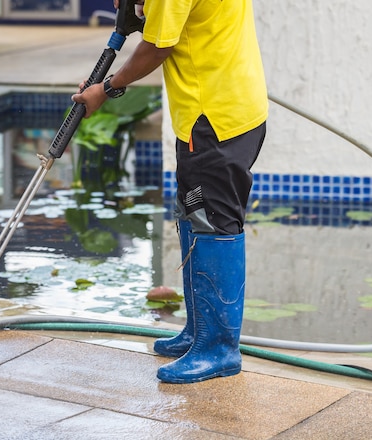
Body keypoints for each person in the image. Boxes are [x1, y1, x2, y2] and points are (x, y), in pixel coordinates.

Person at [71, 0, 268, 384]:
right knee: (195, 215)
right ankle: (199, 334)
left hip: (212, 118)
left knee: (213, 223)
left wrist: (107, 88)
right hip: (227, 109)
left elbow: (158, 46)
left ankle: (218, 350)